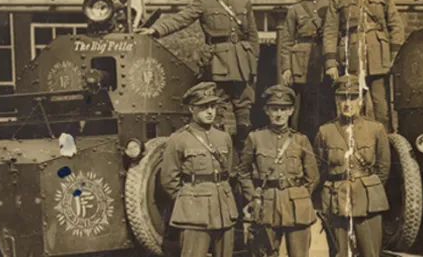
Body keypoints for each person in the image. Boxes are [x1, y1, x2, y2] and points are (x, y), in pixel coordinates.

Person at [137, 0, 259, 151]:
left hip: (242, 65)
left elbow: (252, 35)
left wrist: (252, 62)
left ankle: (244, 164)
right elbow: (181, 19)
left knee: (244, 116)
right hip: (219, 65)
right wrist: (156, 30)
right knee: (215, 113)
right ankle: (218, 160)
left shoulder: (243, 2)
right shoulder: (204, 1)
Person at [237, 84, 319, 257]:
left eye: (284, 109)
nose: (279, 114)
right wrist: (254, 197)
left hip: (296, 207)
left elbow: (313, 176)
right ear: (267, 110)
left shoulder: (301, 140)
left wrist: (300, 196)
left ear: (291, 111)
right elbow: (243, 173)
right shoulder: (255, 138)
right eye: (274, 109)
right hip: (267, 207)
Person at [314, 74, 391, 257]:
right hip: (336, 200)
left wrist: (368, 189)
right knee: (340, 253)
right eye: (342, 98)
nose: (347, 103)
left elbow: (384, 168)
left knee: (370, 252)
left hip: (368, 201)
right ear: (336, 100)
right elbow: (319, 168)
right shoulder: (325, 131)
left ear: (361, 100)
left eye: (353, 97)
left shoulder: (376, 129)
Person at [160, 82, 238, 257]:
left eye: (212, 106)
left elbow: (229, 172)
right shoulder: (178, 139)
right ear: (191, 109)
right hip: (194, 214)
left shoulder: (223, 137)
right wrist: (188, 200)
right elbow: (168, 180)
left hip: (224, 210)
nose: (210, 111)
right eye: (204, 107)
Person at [322, 0, 405, 133]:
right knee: (352, 106)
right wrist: (331, 63)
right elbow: (330, 32)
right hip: (350, 59)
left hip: (378, 59)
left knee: (383, 109)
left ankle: (384, 146)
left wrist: (395, 56)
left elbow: (396, 25)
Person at [279, 0, 335, 143]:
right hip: (300, 66)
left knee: (325, 108)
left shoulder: (330, 6)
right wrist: (286, 68)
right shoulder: (295, 9)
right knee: (298, 112)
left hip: (323, 64)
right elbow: (286, 40)